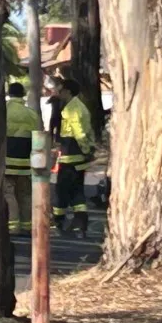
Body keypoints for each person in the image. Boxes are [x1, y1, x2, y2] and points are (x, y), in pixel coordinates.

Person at [54, 78, 95, 238]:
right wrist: (90, 148)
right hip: (77, 157)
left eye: (62, 89)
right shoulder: (81, 107)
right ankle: (80, 223)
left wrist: (85, 148)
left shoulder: (72, 109)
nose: (59, 92)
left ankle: (58, 221)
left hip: (70, 156)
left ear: (68, 91)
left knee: (61, 190)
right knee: (77, 191)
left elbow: (78, 131)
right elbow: (88, 130)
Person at [4, 82, 41, 236]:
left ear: (9, 93)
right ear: (23, 94)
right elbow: (38, 136)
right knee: (25, 194)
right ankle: (27, 226)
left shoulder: (4, 110)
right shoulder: (31, 114)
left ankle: (13, 226)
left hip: (7, 160)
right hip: (26, 161)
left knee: (8, 193)